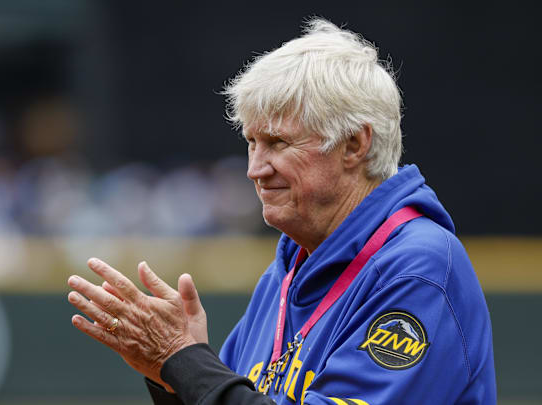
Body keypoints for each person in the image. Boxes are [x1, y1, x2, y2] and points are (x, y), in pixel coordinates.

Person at [67, 18, 496, 404]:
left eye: (278, 143)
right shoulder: (287, 272)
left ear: (354, 145)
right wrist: (171, 378)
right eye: (252, 143)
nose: (255, 169)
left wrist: (183, 361)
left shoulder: (417, 268)